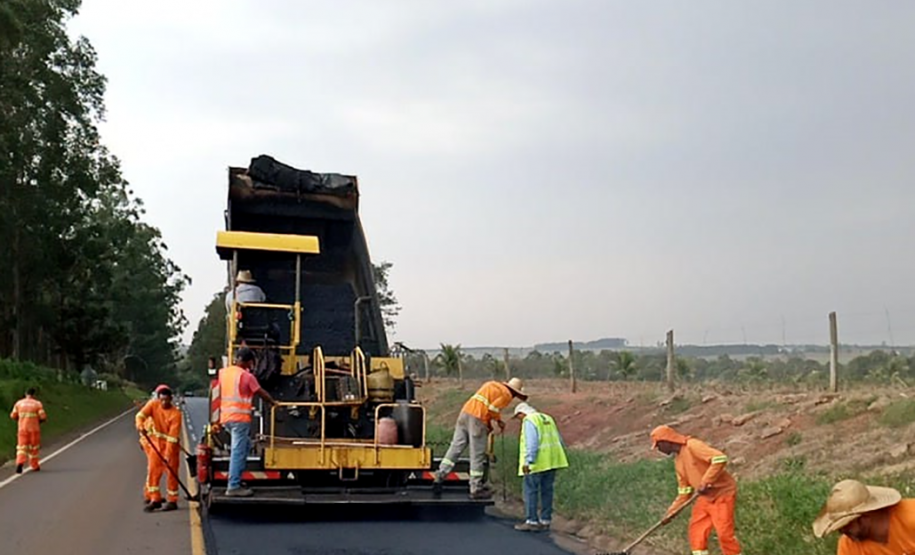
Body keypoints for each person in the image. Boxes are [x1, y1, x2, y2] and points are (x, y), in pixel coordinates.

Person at [650, 424, 743, 555]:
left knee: (724, 533)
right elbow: (684, 492)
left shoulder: (692, 445)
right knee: (696, 532)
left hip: (722, 495)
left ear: (666, 441)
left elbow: (719, 458)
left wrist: (706, 481)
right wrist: (671, 513)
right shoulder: (678, 462)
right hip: (705, 498)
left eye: (658, 446)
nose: (659, 450)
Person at [434, 377, 527, 499]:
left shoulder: (491, 384)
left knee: (455, 447)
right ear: (515, 392)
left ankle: (440, 475)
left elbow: (484, 405)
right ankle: (476, 488)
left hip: (465, 414)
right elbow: (492, 409)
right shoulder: (506, 394)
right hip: (477, 419)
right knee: (477, 455)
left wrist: (493, 422)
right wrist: (498, 420)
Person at [218, 347, 276, 497]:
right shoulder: (246, 376)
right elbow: (260, 392)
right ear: (249, 361)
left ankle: (237, 479)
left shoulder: (224, 373)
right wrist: (273, 402)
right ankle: (233, 486)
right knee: (238, 452)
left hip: (226, 418)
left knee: (244, 446)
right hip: (239, 419)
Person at [812, 479, 915, 554]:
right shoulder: (848, 547)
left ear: (865, 517)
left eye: (846, 525)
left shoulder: (911, 517)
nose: (842, 531)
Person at [513, 402, 569, 532]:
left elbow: (532, 442)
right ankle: (545, 520)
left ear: (521, 414)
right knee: (547, 491)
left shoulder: (529, 420)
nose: (520, 421)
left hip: (536, 464)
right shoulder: (547, 418)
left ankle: (532, 521)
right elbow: (559, 439)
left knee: (530, 491)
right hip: (552, 462)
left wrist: (528, 461)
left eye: (518, 418)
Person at [136, 384, 183, 512]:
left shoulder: (176, 415)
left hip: (170, 447)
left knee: (171, 474)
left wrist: (167, 456)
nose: (163, 403)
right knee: (153, 471)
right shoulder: (153, 405)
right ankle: (155, 499)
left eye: (166, 400)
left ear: (171, 399)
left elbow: (172, 439)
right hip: (155, 444)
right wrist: (140, 426)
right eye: (161, 400)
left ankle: (172, 500)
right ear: (158, 398)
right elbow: (140, 416)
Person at [10, 387, 47, 474]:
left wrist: (21, 419)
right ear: (34, 395)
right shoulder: (37, 404)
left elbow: (13, 416)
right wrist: (38, 421)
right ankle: (34, 466)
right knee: (34, 448)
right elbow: (43, 417)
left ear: (25, 394)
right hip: (34, 429)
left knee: (21, 447)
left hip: (22, 429)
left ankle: (20, 463)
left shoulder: (19, 403)